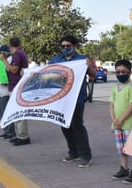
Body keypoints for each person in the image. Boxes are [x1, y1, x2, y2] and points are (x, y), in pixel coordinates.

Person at [49, 35, 96, 168]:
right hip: (61, 98)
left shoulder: (81, 60)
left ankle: (85, 156)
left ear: (74, 46)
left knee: (77, 126)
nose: (65, 48)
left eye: (68, 46)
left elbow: (92, 75)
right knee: (65, 125)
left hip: (77, 98)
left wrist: (88, 66)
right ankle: (73, 151)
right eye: (63, 46)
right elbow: (45, 72)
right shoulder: (57, 60)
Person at [109, 59, 132, 184]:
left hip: (128, 124)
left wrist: (121, 120)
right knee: (121, 148)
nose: (121, 74)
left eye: (124, 71)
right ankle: (124, 169)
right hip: (117, 125)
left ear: (130, 72)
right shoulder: (115, 88)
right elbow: (111, 105)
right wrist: (114, 120)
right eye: (118, 72)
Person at [1, 36, 30, 146]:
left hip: (18, 86)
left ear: (9, 45)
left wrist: (4, 61)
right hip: (16, 85)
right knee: (16, 111)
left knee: (19, 111)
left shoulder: (18, 54)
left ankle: (23, 136)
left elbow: (14, 70)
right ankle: (19, 135)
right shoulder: (19, 53)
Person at [0, 45, 16, 139]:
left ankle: (11, 131)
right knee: (3, 111)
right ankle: (6, 130)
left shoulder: (11, 60)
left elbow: (12, 72)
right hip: (1, 90)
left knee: (7, 111)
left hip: (9, 90)